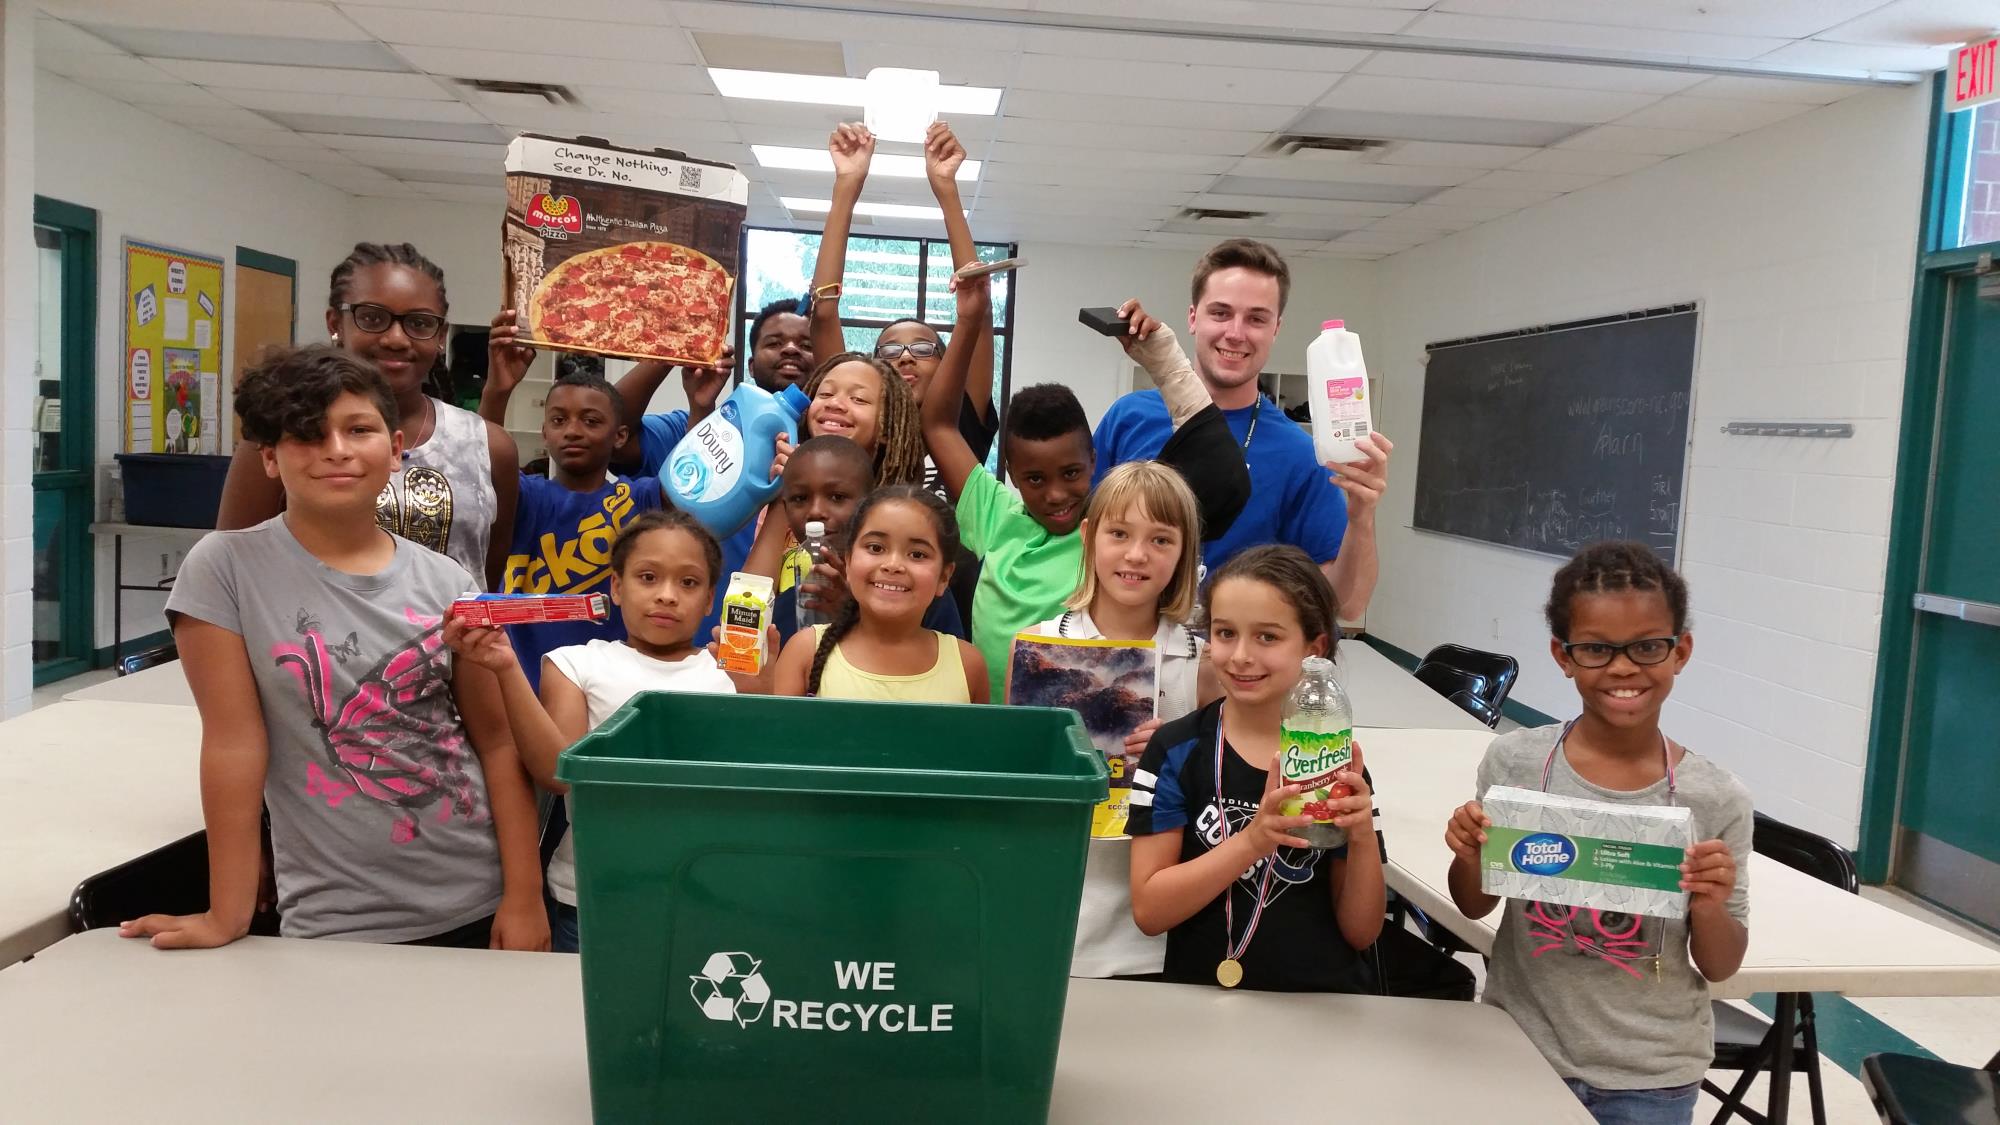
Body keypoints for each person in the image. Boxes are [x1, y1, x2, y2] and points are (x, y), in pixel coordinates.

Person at [121, 346, 547, 951]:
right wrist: (227, 914)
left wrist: (524, 898)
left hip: (476, 895)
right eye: (307, 435)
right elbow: (234, 743)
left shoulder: (449, 581)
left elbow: (497, 743)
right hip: (335, 914)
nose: (337, 450)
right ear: (269, 457)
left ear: (396, 449)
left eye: (358, 429)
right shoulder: (225, 568)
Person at [1444, 541, 1750, 1125]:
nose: (1623, 667)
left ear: (1680, 650)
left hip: (1650, 1077)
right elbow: (1475, 901)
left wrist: (1709, 904)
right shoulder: (1515, 763)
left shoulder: (1715, 798)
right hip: (1520, 1049)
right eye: (1596, 650)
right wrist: (1468, 852)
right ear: (1563, 654)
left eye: (1648, 646)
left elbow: (1721, 965)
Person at [925, 274, 1249, 701]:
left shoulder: (1111, 530)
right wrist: (970, 320)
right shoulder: (993, 514)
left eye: (1072, 473)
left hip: (1093, 718)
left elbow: (1223, 481)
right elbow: (937, 424)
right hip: (998, 728)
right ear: (1011, 472)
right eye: (1035, 480)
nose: (1056, 495)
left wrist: (1165, 364)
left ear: (1094, 460)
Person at [448, 509, 739, 953]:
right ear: (616, 588)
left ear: (709, 598)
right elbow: (557, 771)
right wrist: (506, 669)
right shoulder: (575, 664)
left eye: (688, 583)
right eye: (647, 577)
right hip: (589, 900)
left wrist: (764, 686)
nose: (667, 596)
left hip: (702, 897)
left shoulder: (725, 676)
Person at [1090, 237, 1392, 616]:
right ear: (1192, 317)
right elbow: (1077, 538)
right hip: (1123, 650)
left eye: (1256, 318)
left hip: (1226, 663)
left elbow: (1346, 604)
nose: (1236, 332)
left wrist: (1362, 513)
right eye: (1220, 313)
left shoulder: (1297, 453)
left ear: (1276, 328)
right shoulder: (1129, 417)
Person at [1127, 545, 1382, 991]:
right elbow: (1150, 911)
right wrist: (1254, 840)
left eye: (1267, 637)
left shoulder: (1331, 761)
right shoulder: (1175, 750)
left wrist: (1360, 837)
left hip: (1320, 1004)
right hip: (1201, 998)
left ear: (1314, 647)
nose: (1241, 655)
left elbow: (1362, 932)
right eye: (1225, 633)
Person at [1013, 461, 1219, 978]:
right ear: (1089, 537)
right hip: (1061, 906)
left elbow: (1225, 791)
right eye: (1120, 533)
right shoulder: (1038, 645)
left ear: (1184, 553)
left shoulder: (1207, 663)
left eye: (1160, 540)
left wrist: (1180, 752)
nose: (1135, 554)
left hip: (1162, 922)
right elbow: (1019, 782)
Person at [217, 242, 520, 591]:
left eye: (419, 323)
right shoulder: (282, 436)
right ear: (335, 322)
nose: (395, 338)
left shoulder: (490, 447)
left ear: (440, 336)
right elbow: (232, 572)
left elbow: (486, 574)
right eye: (373, 318)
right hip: (309, 641)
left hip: (453, 645)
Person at [813, 121, 999, 488]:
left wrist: (946, 188)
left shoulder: (961, 426)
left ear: (949, 365)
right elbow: (823, 312)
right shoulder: (856, 431)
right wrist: (846, 188)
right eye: (891, 350)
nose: (906, 357)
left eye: (923, 348)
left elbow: (979, 314)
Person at [498, 364, 667, 691]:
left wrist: (700, 405)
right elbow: (485, 459)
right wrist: (498, 390)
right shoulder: (526, 496)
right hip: (527, 692)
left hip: (614, 693)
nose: (573, 431)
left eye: (590, 421)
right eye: (559, 420)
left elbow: (693, 481)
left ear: (620, 435)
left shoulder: (638, 498)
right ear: (544, 432)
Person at [771, 486, 987, 703]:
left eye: (917, 554)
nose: (893, 565)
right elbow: (775, 734)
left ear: (944, 577)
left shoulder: (968, 665)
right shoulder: (804, 652)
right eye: (875, 548)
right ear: (848, 560)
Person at [769, 435, 964, 645]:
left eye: (837, 497)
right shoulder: (789, 605)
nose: (816, 511)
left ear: (868, 504)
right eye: (800, 498)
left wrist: (854, 615)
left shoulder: (917, 591)